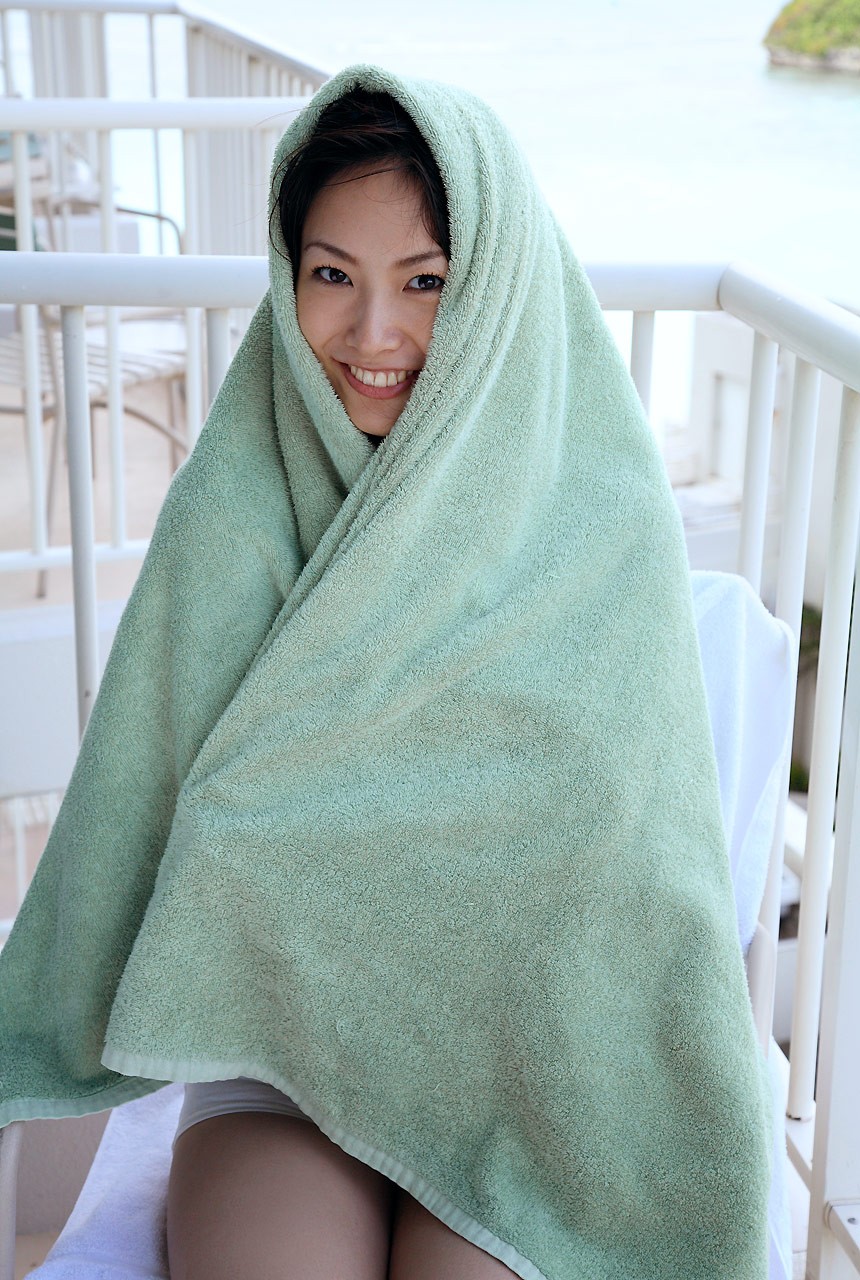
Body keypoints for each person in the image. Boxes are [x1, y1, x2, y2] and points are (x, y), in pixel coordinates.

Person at [0, 68, 771, 1279]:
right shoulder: (233, 506)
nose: (371, 336)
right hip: (275, 1055)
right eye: (330, 275)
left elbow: (629, 855)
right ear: (286, 275)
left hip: (533, 1074)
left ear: (493, 284)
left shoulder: (602, 520)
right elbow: (135, 802)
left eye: (423, 282)